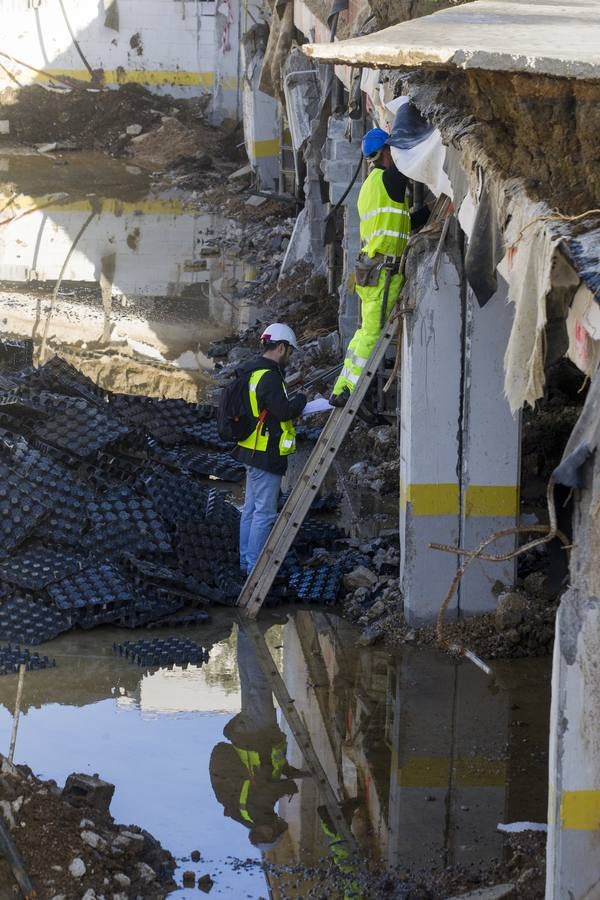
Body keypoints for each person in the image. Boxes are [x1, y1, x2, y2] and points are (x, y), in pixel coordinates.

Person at [330, 127, 428, 406]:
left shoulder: (371, 186)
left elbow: (398, 225)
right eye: (391, 150)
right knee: (372, 333)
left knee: (363, 332)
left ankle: (342, 385)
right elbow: (411, 157)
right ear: (386, 152)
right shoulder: (390, 178)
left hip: (370, 269)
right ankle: (349, 390)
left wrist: (427, 215)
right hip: (382, 272)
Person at [209, 627, 303, 850]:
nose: (273, 825)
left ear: (261, 833)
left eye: (269, 832)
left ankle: (251, 632)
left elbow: (264, 790)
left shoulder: (254, 813)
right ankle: (246, 633)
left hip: (256, 736)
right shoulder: (244, 814)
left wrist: (287, 787)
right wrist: (290, 772)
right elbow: (266, 774)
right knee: (250, 682)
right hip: (249, 738)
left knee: (259, 684)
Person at [233, 323, 306, 575]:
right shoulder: (271, 376)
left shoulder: (252, 371)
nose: (290, 357)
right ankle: (254, 569)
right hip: (265, 454)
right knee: (264, 513)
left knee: (251, 510)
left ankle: (245, 562)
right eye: (290, 352)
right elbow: (283, 411)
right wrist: (301, 401)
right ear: (281, 348)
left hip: (249, 449)